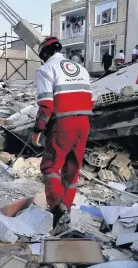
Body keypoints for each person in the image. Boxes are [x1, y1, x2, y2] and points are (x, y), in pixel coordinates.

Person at [31, 36, 93, 234]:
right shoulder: (81, 69)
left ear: (44, 54)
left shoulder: (46, 69)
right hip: (84, 122)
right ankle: (65, 207)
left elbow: (47, 104)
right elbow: (89, 99)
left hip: (63, 123)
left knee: (50, 166)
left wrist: (37, 130)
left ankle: (57, 209)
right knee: (73, 168)